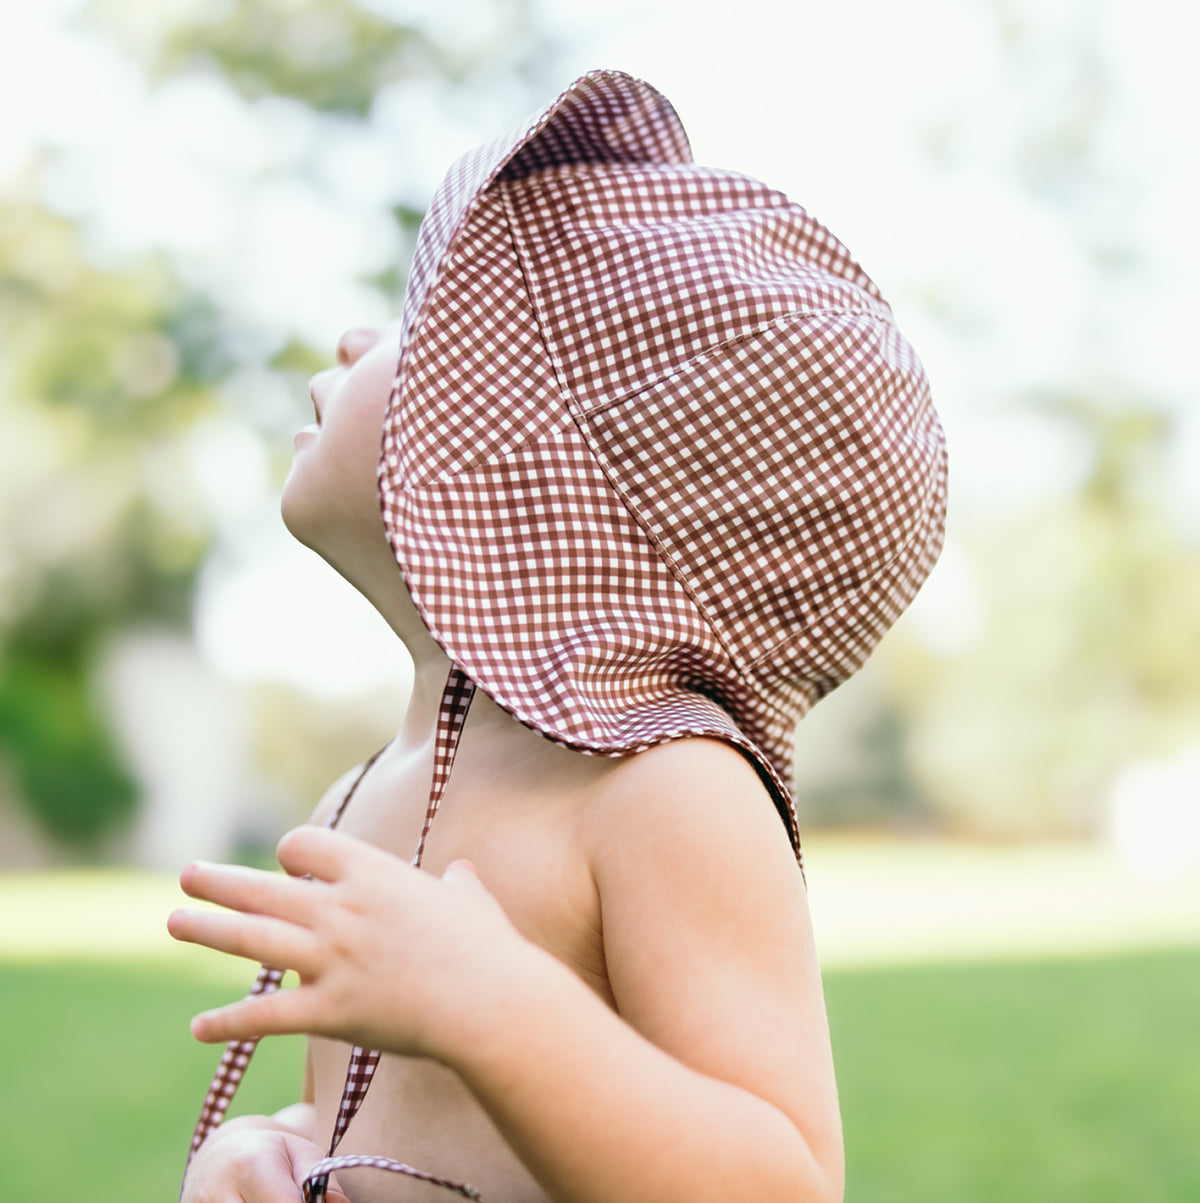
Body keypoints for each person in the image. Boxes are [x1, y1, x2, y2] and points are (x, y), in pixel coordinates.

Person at [168, 69, 947, 1203]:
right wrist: (274, 1151)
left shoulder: (663, 790)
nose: (350, 338)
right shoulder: (370, 785)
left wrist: (493, 1006)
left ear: (522, 458)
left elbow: (784, 1182)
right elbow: (408, 1135)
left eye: (419, 330)